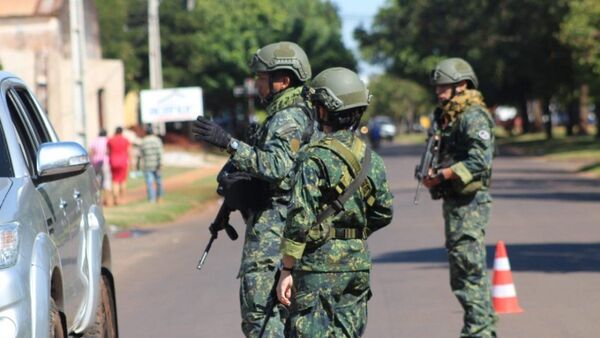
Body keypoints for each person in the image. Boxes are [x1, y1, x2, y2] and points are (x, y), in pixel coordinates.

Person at [192, 41, 315, 337]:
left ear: (283, 80)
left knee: (262, 322)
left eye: (262, 78)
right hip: (275, 230)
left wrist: (230, 144)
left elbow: (278, 167)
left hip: (275, 238)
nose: (256, 83)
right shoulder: (281, 114)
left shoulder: (289, 117)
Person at [276, 67, 394, 337]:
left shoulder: (313, 157)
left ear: (324, 109)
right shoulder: (370, 158)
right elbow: (384, 212)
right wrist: (351, 236)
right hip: (357, 265)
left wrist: (287, 268)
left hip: (318, 268)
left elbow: (299, 219)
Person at [423, 57, 497, 337]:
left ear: (462, 85)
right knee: (462, 272)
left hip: (471, 205)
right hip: (456, 203)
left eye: (445, 87)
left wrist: (444, 175)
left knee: (469, 271)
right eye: (437, 87)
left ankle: (479, 331)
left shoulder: (473, 116)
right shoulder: (450, 116)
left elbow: (481, 161)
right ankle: (481, 328)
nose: (439, 92)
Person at [137, 125, 164, 203]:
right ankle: (159, 198)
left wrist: (138, 166)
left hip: (147, 165)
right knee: (159, 181)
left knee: (149, 183)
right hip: (157, 165)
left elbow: (140, 155)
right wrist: (161, 163)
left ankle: (151, 199)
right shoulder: (157, 140)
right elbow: (160, 153)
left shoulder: (143, 141)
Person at [107, 126, 131, 206]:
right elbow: (129, 152)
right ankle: (122, 199)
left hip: (113, 162)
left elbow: (108, 152)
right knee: (123, 181)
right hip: (123, 162)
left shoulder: (110, 140)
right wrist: (131, 162)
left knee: (115, 181)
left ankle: (116, 198)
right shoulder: (125, 140)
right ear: (122, 132)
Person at [89, 129, 112, 206]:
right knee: (107, 180)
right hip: (105, 161)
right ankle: (107, 200)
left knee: (97, 181)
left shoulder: (95, 140)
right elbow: (109, 151)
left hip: (96, 162)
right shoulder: (108, 140)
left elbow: (91, 152)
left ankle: (98, 200)